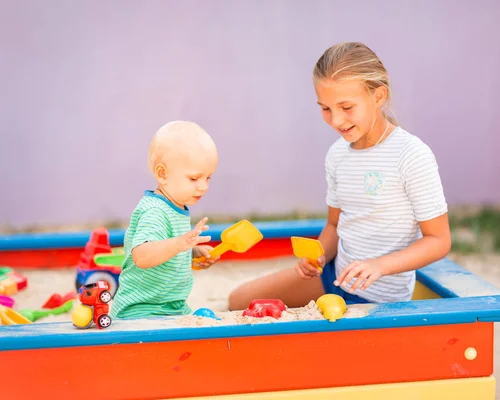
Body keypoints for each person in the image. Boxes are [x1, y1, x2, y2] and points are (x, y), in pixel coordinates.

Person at [228, 42, 451, 310]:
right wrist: (319, 256)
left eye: (346, 107)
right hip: (334, 278)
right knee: (238, 301)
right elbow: (334, 226)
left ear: (378, 96)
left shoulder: (411, 155)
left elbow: (438, 240)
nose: (335, 121)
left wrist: (380, 266)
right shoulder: (337, 154)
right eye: (325, 108)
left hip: (380, 296)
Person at [111, 120, 219, 318]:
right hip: (141, 310)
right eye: (194, 178)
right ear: (163, 174)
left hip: (170, 306)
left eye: (208, 178)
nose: (203, 186)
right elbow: (142, 256)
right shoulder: (155, 211)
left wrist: (192, 251)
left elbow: (166, 247)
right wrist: (179, 243)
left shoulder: (176, 206)